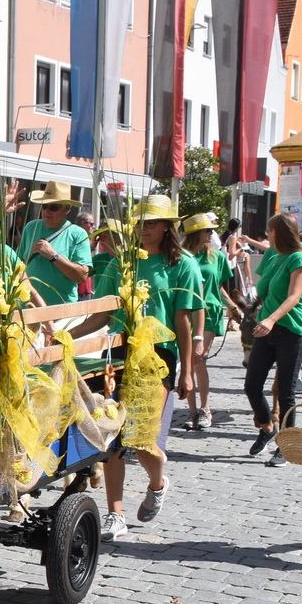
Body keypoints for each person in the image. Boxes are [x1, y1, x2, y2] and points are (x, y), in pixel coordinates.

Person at [72, 195, 202, 542]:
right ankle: (116, 513)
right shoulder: (121, 264)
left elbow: (183, 322)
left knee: (143, 439)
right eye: (139, 224)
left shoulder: (183, 265)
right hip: (118, 352)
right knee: (111, 435)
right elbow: (100, 315)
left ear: (167, 227)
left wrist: (187, 370)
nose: (145, 230)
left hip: (159, 355)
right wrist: (65, 337)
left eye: (153, 223)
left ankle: (157, 483)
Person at [244, 213, 302, 467]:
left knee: (285, 392)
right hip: (267, 329)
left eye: (269, 230)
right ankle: (266, 426)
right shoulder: (274, 257)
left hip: (291, 330)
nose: (267, 234)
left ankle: (286, 446)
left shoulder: (299, 258)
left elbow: (294, 296)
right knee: (252, 385)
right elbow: (265, 291)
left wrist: (271, 319)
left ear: (279, 232)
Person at [182, 212, 240, 431]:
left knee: (198, 358)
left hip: (209, 311)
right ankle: (192, 410)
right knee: (188, 362)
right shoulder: (181, 256)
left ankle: (204, 408)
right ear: (197, 232)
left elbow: (219, 287)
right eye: (208, 230)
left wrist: (232, 306)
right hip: (186, 311)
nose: (212, 233)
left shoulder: (217, 257)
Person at [15, 180, 92, 308]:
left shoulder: (78, 234)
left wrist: (53, 255)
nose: (47, 211)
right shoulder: (31, 227)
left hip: (61, 309)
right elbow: (18, 264)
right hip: (28, 307)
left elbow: (82, 276)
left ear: (66, 208)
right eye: (44, 206)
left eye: (53, 207)